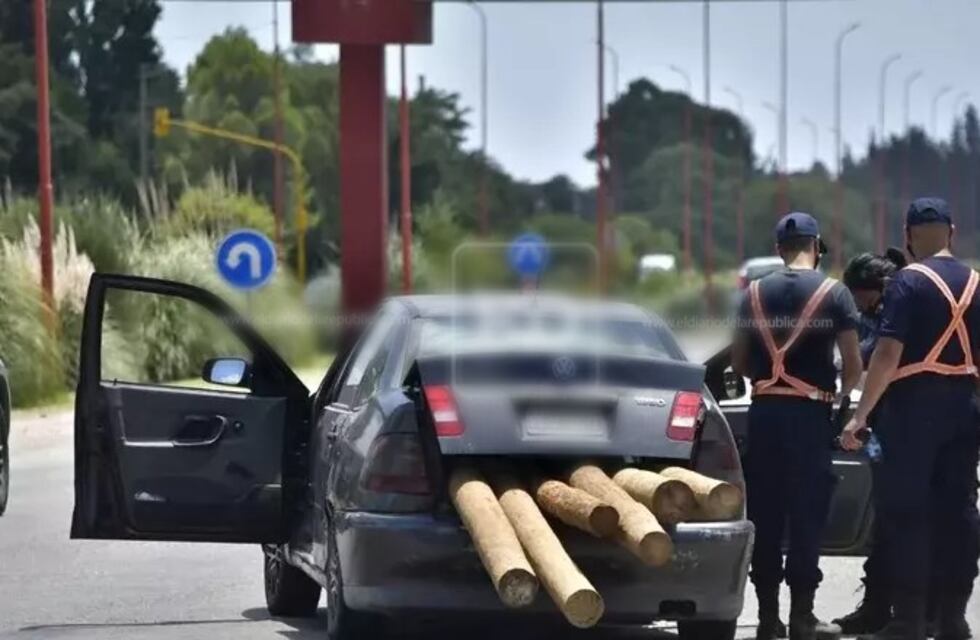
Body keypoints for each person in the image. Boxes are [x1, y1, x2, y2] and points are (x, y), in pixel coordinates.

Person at [841, 197, 980, 640]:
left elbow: (886, 354)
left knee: (906, 514)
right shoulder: (977, 282)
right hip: (965, 406)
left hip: (914, 408)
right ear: (952, 232)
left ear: (908, 235)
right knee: (958, 514)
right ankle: (953, 619)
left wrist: (859, 416)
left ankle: (908, 620)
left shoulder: (907, 282)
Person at [733, 212, 863, 640]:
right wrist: (841, 401)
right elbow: (854, 367)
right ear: (817, 245)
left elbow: (737, 361)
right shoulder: (835, 293)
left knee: (766, 515)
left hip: (765, 414)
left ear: (778, 249)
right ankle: (804, 618)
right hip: (810, 418)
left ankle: (768, 619)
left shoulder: (751, 293)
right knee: (807, 516)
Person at [833, 249, 908, 635]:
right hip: (883, 435)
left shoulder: (901, 314)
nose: (861, 308)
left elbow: (872, 360)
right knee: (885, 519)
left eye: (862, 298)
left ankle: (908, 610)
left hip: (905, 434)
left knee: (901, 521)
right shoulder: (878, 315)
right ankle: (879, 607)